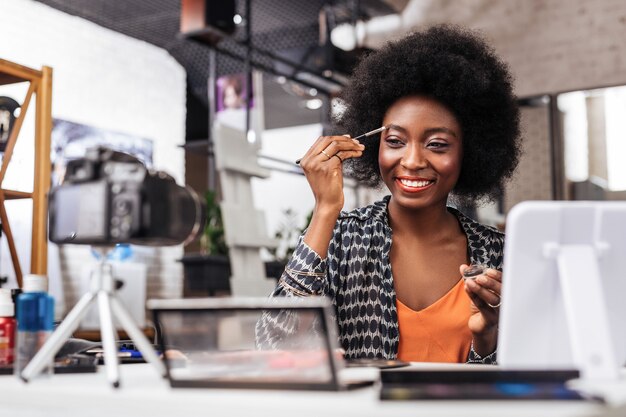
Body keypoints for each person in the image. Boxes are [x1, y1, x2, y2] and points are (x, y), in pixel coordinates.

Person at [261, 25, 520, 364]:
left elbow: (523, 378)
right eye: (395, 141)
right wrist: (326, 210)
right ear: (373, 146)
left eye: (437, 144)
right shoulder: (342, 238)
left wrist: (487, 335)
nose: (412, 161)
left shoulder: (498, 254)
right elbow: (274, 344)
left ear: (469, 153)